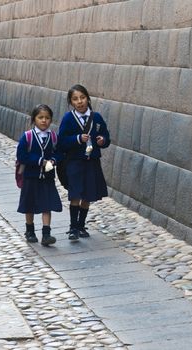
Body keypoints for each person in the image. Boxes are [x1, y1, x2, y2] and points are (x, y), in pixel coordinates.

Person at [57, 84, 110, 240]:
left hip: (91, 161)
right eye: (75, 99)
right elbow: (62, 141)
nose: (80, 102)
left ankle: (81, 225)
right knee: (75, 194)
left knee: (88, 194)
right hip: (75, 162)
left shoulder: (97, 117)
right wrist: (77, 139)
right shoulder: (68, 119)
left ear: (88, 98)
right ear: (71, 102)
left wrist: (103, 140)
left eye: (82, 98)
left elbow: (105, 135)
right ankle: (73, 227)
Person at [17, 104, 62, 246]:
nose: (44, 121)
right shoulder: (28, 137)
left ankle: (46, 234)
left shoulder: (53, 137)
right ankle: (30, 230)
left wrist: (54, 160)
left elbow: (59, 153)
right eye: (40, 117)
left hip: (47, 178)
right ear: (34, 119)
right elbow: (22, 156)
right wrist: (40, 161)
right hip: (30, 177)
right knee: (29, 204)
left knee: (46, 205)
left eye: (47, 118)